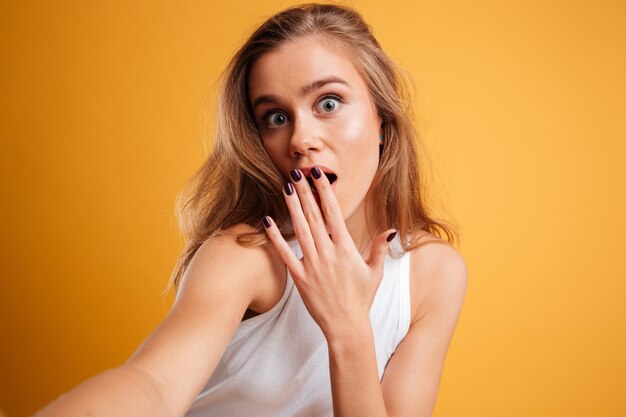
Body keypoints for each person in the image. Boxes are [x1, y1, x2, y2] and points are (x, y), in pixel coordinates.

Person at [33, 3, 468, 417]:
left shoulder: (433, 274)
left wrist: (348, 328)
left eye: (328, 103)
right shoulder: (245, 254)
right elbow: (153, 384)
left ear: (382, 122)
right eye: (276, 117)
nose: (300, 139)